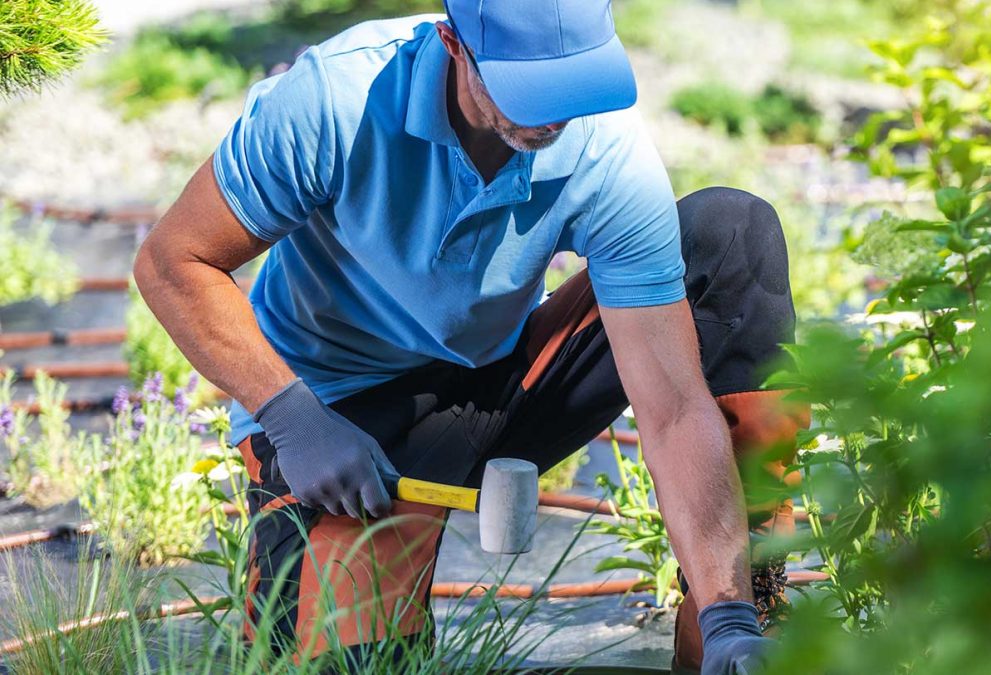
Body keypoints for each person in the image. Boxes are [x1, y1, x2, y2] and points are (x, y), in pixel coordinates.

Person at [133, 1, 807, 672]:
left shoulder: (606, 146)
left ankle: (735, 627)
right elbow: (173, 262)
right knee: (355, 663)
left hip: (495, 381)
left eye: (570, 85)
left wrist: (728, 615)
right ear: (455, 44)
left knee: (731, 237)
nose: (552, 115)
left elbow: (675, 407)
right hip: (332, 421)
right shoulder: (336, 99)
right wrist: (290, 414)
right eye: (528, 88)